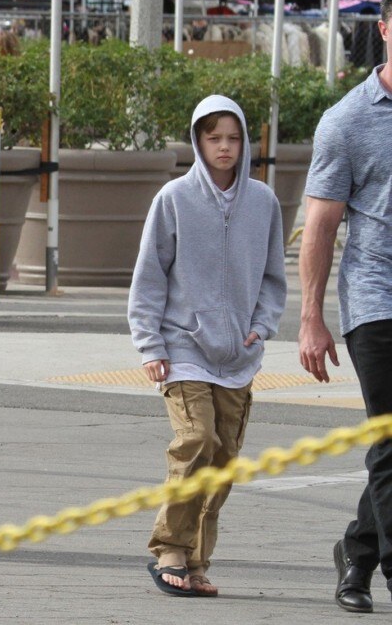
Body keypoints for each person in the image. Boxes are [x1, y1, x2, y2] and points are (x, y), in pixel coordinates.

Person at [128, 95, 286, 597]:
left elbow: (273, 276)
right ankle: (171, 547)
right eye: (213, 137)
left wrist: (262, 325)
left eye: (233, 138)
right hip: (183, 347)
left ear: (245, 143)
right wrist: (151, 345)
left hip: (238, 354)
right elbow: (149, 275)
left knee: (223, 460)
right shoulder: (173, 198)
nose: (224, 147)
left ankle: (197, 560)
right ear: (197, 140)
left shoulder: (263, 202)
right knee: (196, 441)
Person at [299, 0, 392, 615]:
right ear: (385, 29)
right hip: (376, 297)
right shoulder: (349, 119)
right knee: (390, 443)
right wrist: (311, 318)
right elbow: (321, 225)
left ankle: (358, 549)